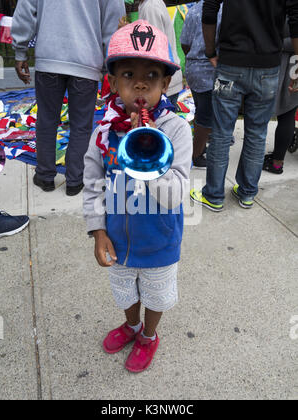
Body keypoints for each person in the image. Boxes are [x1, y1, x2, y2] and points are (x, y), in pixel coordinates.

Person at [83, 20, 192, 373]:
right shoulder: (104, 131)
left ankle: (149, 334)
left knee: (156, 295)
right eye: (128, 74)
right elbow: (93, 183)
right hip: (118, 240)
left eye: (151, 75)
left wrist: (149, 155)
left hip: (159, 241)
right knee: (125, 292)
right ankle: (131, 325)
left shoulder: (175, 129)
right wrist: (98, 231)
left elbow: (176, 193)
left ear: (165, 83)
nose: (140, 83)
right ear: (113, 83)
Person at [190, 0, 298, 212]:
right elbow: (295, 18)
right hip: (268, 65)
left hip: (231, 62)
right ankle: (247, 192)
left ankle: (213, 195)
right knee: (257, 133)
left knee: (221, 132)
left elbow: (210, 8)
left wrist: (210, 52)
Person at [11, 0, 126, 196]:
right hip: (87, 60)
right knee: (81, 125)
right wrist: (110, 63)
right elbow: (113, 19)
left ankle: (45, 175)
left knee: (47, 121)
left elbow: (25, 10)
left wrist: (20, 50)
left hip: (49, 58)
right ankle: (75, 180)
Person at [180, 0, 222, 168]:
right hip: (209, 70)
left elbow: (185, 43)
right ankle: (196, 155)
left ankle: (200, 146)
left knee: (201, 111)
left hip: (193, 68)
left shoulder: (194, 10)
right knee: (205, 116)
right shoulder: (223, 11)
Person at [263, 22, 298, 175]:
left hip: (290, 66)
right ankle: (277, 157)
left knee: (287, 113)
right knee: (288, 113)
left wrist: (274, 42)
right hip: (290, 63)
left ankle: (277, 163)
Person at [136, 0, 183, 110]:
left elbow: (154, 51)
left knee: (160, 125)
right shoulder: (147, 5)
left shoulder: (150, 7)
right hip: (162, 81)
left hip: (161, 84)